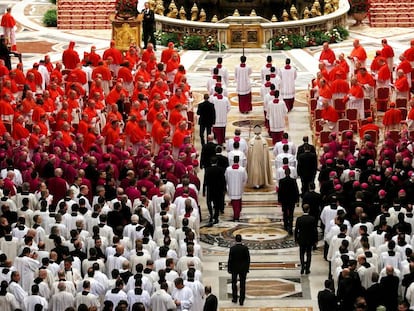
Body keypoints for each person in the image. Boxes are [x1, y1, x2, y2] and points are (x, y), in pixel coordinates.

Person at [295, 204, 318, 274]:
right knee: (308, 254)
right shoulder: (312, 219)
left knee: (301, 254)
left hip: (301, 239)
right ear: (309, 209)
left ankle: (302, 268)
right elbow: (315, 230)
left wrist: (296, 239)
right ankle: (307, 269)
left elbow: (296, 230)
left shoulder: (299, 219)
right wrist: (316, 240)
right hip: (309, 239)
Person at [227, 234, 250, 306]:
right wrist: (247, 268)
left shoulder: (232, 248)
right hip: (243, 269)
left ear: (235, 240)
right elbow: (248, 260)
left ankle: (234, 298)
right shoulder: (245, 248)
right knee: (242, 285)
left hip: (234, 268)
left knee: (234, 284)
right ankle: (241, 300)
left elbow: (230, 260)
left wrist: (229, 269)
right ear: (241, 240)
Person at [204, 156, 226, 225]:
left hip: (210, 189)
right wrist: (224, 188)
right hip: (218, 189)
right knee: (217, 203)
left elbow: (205, 180)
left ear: (211, 162)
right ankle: (216, 217)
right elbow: (223, 180)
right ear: (217, 162)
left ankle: (211, 214)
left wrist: (204, 190)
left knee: (209, 202)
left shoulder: (207, 169)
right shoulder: (221, 169)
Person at [225, 155, 248, 221]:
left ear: (233, 160)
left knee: (235, 203)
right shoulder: (242, 169)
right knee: (237, 203)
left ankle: (236, 215)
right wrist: (242, 185)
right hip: (239, 188)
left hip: (231, 188)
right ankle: (236, 216)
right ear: (239, 161)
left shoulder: (228, 169)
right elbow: (245, 179)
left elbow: (226, 178)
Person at [278, 168, 300, 235]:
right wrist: (297, 200)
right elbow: (296, 191)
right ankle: (290, 226)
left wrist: (279, 200)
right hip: (291, 200)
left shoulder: (281, 181)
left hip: (284, 200)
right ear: (290, 173)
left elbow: (280, 191)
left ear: (285, 173)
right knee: (291, 214)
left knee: (284, 213)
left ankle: (285, 225)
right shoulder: (293, 180)